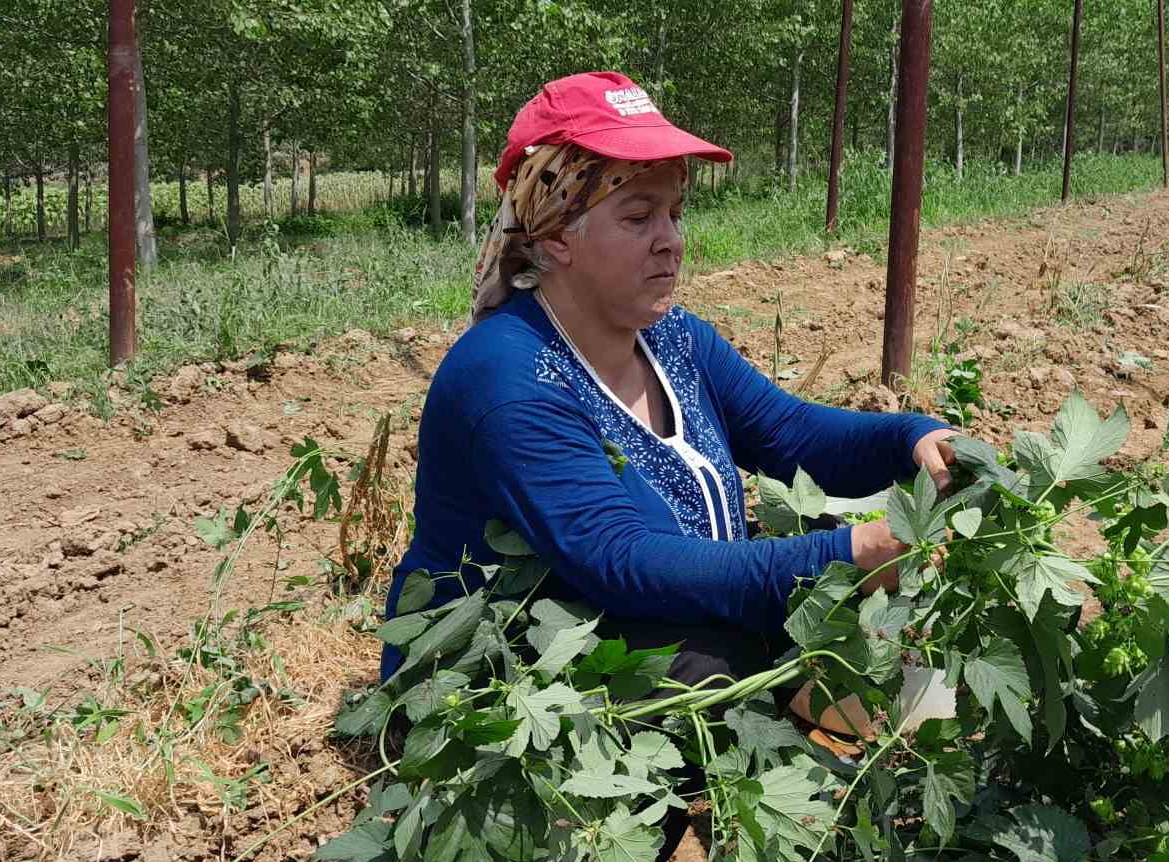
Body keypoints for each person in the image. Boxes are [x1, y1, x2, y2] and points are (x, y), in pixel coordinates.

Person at [379, 72, 956, 691]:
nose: (672, 242)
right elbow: (619, 559)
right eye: (639, 217)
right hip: (505, 685)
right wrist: (843, 556)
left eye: (675, 213)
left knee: (782, 646)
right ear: (555, 233)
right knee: (730, 671)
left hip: (644, 624)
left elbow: (790, 434)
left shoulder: (670, 337)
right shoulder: (508, 376)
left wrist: (913, 439)